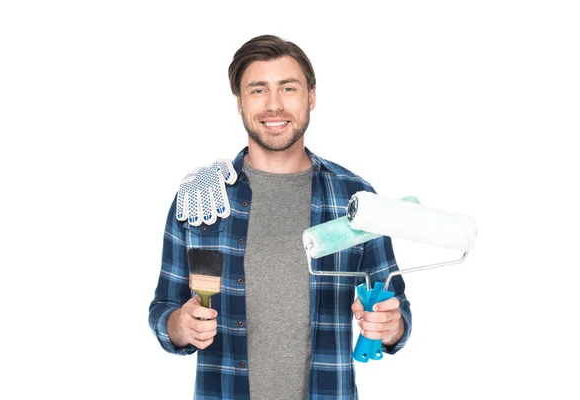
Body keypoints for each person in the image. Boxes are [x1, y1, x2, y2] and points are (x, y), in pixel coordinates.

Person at [148, 34, 412, 400]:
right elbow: (164, 307)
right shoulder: (202, 197)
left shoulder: (356, 200)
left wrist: (391, 323)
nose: (274, 105)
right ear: (239, 103)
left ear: (311, 97)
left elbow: (396, 305)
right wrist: (181, 326)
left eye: (288, 88)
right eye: (258, 90)